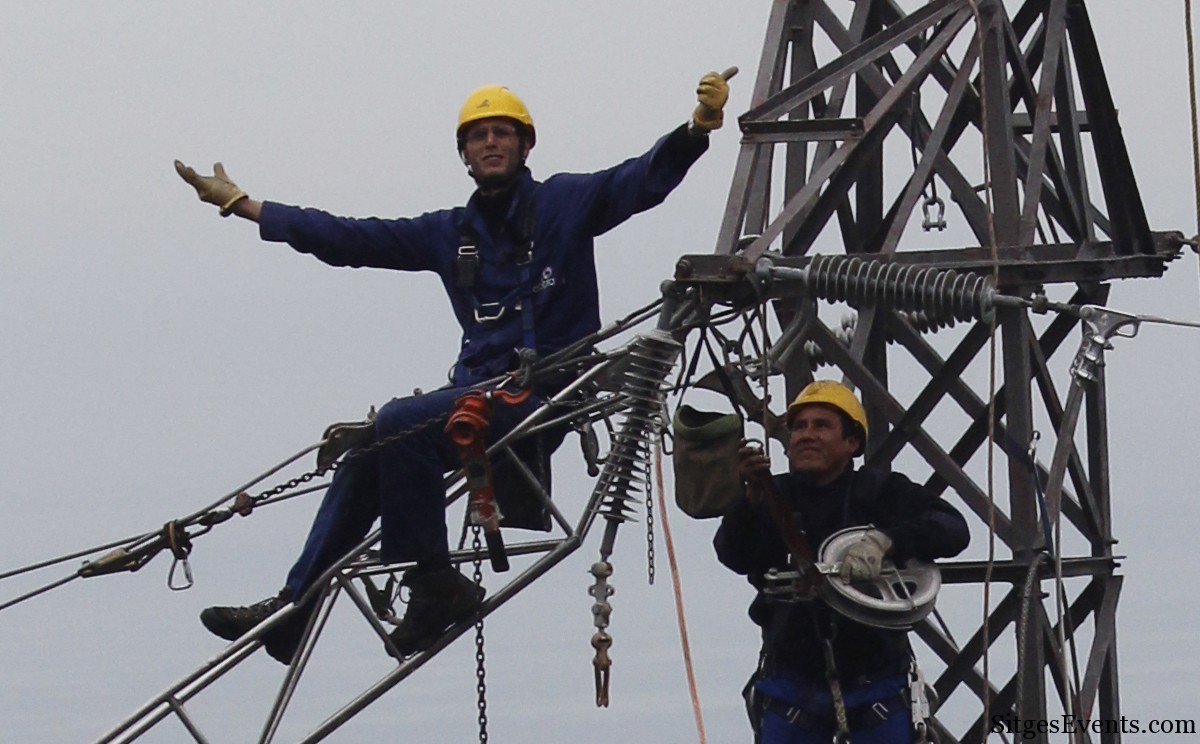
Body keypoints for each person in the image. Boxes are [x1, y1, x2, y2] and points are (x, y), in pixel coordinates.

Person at [174, 71, 732, 665]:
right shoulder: (450, 234)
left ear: (524, 146)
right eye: (478, 136)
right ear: (464, 154)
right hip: (478, 396)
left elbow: (637, 182)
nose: (490, 143)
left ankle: (433, 583)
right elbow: (351, 239)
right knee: (368, 453)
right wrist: (248, 208)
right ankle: (294, 611)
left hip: (545, 391)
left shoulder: (565, 203)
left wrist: (695, 130)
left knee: (400, 421)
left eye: (502, 133)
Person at [714, 380, 969, 743]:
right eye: (799, 427)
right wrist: (751, 499)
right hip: (793, 692)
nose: (806, 435)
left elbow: (952, 528)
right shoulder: (774, 495)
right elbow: (733, 553)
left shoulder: (879, 492)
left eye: (821, 425)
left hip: (875, 692)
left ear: (852, 443)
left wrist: (887, 542)